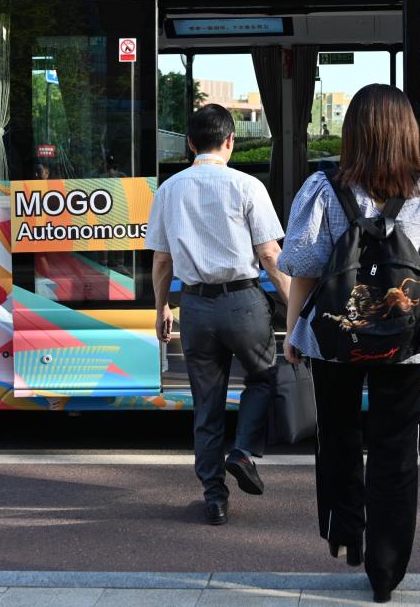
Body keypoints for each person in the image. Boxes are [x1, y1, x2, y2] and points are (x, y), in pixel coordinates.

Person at [279, 84, 420, 604]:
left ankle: (347, 533)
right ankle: (386, 569)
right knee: (396, 446)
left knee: (338, 433)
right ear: (408, 130)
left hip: (335, 336)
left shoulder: (323, 187)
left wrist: (295, 330)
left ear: (352, 132)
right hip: (407, 338)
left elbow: (303, 269)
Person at [145, 104, 290, 526]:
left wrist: (161, 310)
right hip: (243, 303)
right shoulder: (247, 186)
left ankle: (215, 497)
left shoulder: (169, 190)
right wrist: (293, 311)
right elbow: (269, 255)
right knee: (264, 377)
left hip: (195, 307)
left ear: (190, 143)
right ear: (230, 141)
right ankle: (243, 452)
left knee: (206, 404)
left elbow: (160, 261)